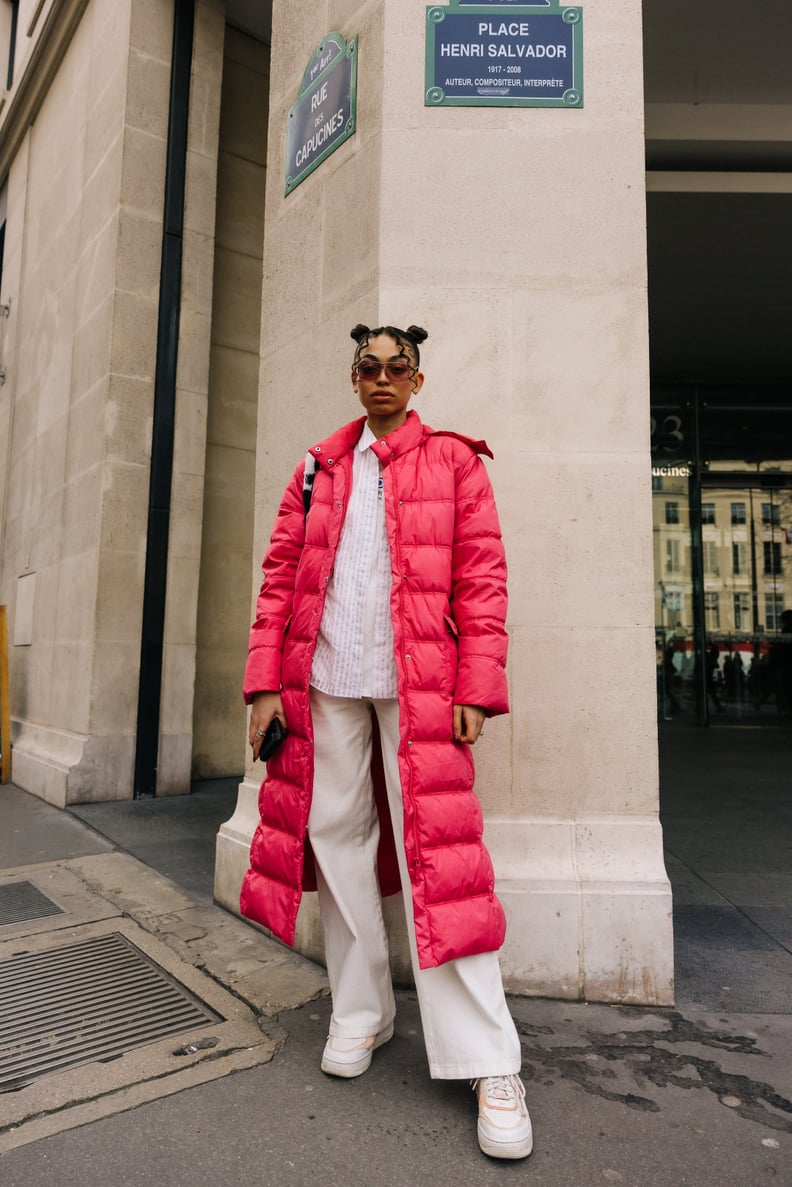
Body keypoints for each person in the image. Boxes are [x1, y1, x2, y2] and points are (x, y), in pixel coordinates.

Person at [240, 323, 531, 1161]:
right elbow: (278, 577)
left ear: (419, 378)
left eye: (397, 368)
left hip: (421, 683)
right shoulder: (317, 466)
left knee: (440, 853)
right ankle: (360, 1012)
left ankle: (489, 1061)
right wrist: (264, 683)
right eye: (368, 367)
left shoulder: (454, 462)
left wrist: (477, 685)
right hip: (324, 679)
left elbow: (483, 577)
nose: (381, 379)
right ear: (353, 375)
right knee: (334, 838)